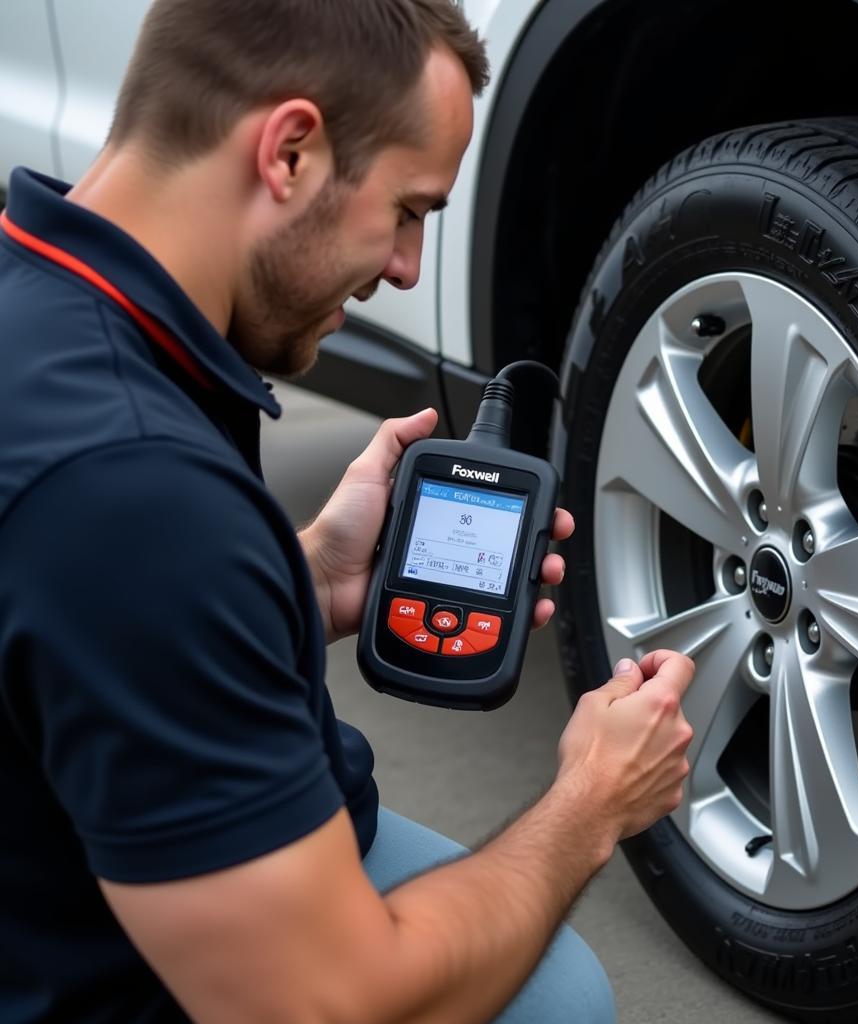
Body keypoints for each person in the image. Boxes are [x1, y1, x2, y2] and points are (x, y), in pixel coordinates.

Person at [0, 1, 695, 1021]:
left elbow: (76, 618)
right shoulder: (137, 499)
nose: (408, 268)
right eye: (409, 209)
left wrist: (304, 573)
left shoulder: (54, 305)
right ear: (289, 151)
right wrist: (589, 803)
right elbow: (327, 1008)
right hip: (112, 966)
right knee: (563, 1002)